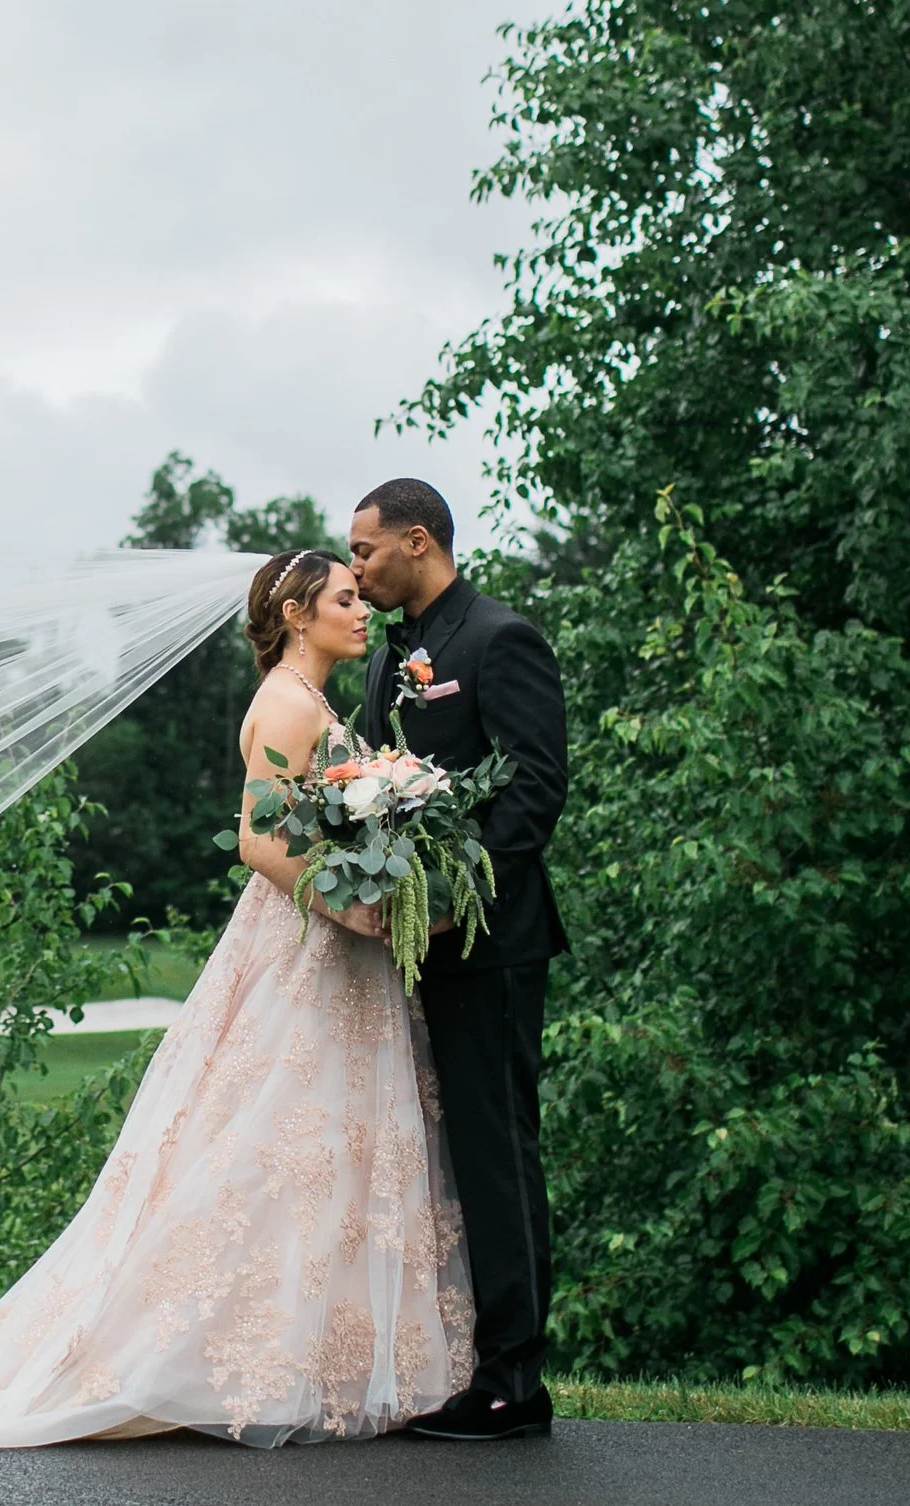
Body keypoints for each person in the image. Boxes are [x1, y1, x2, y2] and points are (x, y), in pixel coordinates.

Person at [0, 549, 478, 1447]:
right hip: (308, 949)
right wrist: (360, 914)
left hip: (333, 953)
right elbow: (258, 843)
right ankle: (225, 1357)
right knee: (272, 1143)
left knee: (317, 1148)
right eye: (344, 600)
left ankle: (319, 1359)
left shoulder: (311, 702)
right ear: (299, 615)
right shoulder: (280, 701)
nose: (362, 612)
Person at [349, 478, 566, 1441]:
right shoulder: (392, 656)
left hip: (490, 945)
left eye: (366, 550)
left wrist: (446, 902)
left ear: (418, 541)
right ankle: (452, 1360)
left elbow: (532, 791)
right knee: (433, 1157)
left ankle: (515, 1384)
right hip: (408, 947)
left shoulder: (499, 638)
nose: (356, 567)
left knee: (494, 1154)